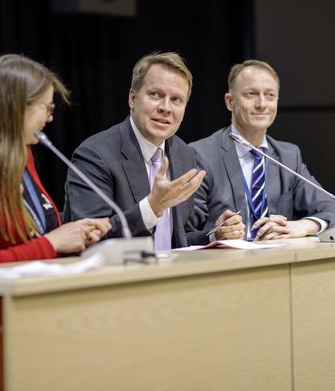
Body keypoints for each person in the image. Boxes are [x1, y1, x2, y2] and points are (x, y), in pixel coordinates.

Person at [0, 54, 110, 357]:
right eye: (46, 108)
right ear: (15, 107)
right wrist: (52, 244)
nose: (50, 118)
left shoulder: (20, 158)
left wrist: (74, 237)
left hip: (32, 304)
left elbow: (31, 238)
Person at [64, 51, 244, 250]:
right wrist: (152, 208)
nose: (165, 107)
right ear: (132, 98)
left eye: (176, 99)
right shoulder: (95, 155)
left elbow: (175, 240)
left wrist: (214, 235)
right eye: (156, 95)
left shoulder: (184, 154)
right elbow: (91, 240)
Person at [187, 59, 335, 242]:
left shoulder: (288, 156)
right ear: (230, 102)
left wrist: (302, 225)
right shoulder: (200, 154)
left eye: (270, 95)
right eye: (251, 94)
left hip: (278, 263)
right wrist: (214, 235)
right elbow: (180, 233)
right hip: (225, 265)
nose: (262, 104)